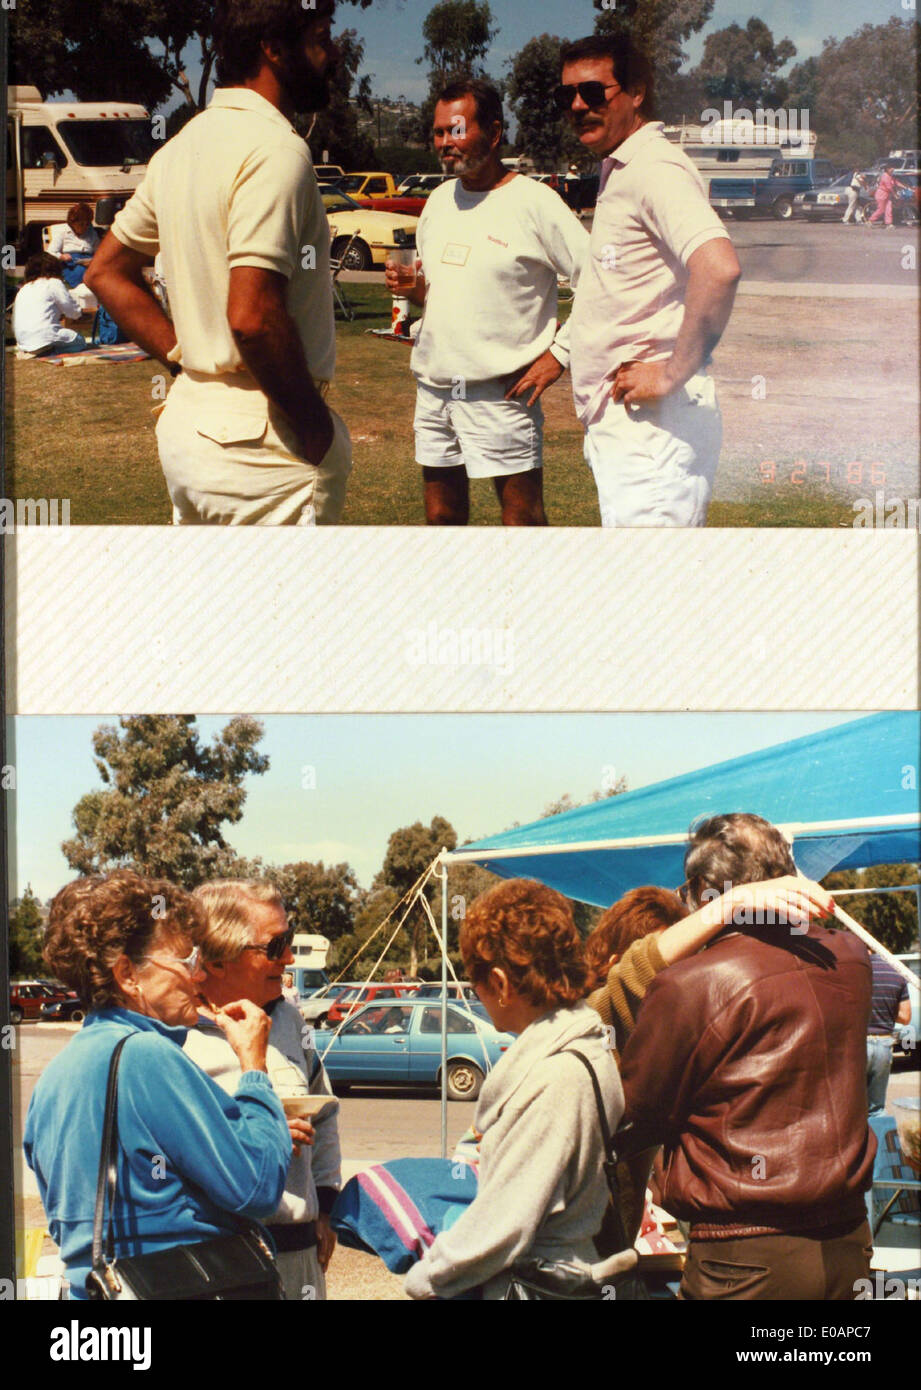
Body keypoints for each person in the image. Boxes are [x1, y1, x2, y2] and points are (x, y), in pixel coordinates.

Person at [85, 0, 352, 526]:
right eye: (321, 37)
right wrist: (315, 426)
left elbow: (105, 271)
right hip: (265, 447)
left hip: (192, 426)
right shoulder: (277, 150)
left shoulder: (183, 147)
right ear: (273, 50)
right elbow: (251, 318)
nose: (333, 53)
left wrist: (184, 363)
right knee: (286, 609)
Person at [619, 813, 876, 1300]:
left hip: (744, 1257)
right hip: (849, 1243)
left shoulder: (691, 983)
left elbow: (636, 1114)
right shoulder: (850, 958)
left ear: (699, 890)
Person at [23, 871, 291, 1300]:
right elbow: (256, 1187)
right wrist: (255, 1071)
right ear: (128, 975)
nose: (200, 975)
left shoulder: (55, 1077)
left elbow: (69, 1225)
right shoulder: (147, 1056)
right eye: (187, 960)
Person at [403, 879, 622, 1299]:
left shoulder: (555, 1077)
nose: (477, 994)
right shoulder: (586, 1048)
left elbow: (502, 1227)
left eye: (475, 982)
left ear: (500, 983)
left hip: (537, 1285)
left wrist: (425, 1280)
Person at [386, 78, 589, 527]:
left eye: (455, 130)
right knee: (441, 519)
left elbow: (600, 279)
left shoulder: (537, 202)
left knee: (521, 521)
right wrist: (415, 290)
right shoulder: (438, 202)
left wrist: (560, 354)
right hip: (435, 388)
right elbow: (443, 293)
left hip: (502, 395)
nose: (444, 143)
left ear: (494, 132)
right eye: (438, 132)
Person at [560, 35, 741, 527]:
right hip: (629, 425)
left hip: (656, 428)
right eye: (568, 95)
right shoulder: (622, 168)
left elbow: (719, 268)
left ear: (636, 92)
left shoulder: (655, 167)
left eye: (594, 92)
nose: (578, 106)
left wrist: (668, 375)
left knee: (653, 592)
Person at [185, 880, 341, 1300]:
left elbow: (324, 1113)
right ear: (217, 960)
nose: (288, 958)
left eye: (288, 941)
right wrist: (256, 1138)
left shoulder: (290, 1020)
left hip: (300, 1255)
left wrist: (325, 1207)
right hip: (221, 1261)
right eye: (274, 947)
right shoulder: (173, 1037)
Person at [12, 253, 88, 356]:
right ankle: (50, 351)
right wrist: (80, 313)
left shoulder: (24, 289)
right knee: (80, 341)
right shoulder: (53, 282)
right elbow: (73, 312)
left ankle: (38, 350)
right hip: (44, 337)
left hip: (23, 341)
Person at [866, 949, 911, 1116]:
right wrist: (884, 1009)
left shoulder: (853, 971)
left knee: (853, 1107)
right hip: (884, 1045)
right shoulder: (896, 972)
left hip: (857, 1044)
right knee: (876, 1109)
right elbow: (905, 1017)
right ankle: (879, 1141)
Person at [46, 203, 100, 310]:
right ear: (73, 222)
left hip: (89, 262)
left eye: (87, 224)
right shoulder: (64, 233)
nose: (84, 227)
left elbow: (99, 251)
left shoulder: (91, 233)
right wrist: (61, 256)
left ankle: (96, 302)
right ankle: (82, 299)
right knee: (82, 272)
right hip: (70, 264)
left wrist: (94, 260)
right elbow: (50, 252)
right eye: (81, 224)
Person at [868, 162, 907, 228]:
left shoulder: (890, 176)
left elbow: (896, 182)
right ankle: (870, 221)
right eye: (892, 168)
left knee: (888, 209)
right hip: (881, 194)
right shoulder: (885, 176)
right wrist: (895, 194)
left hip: (887, 195)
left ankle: (889, 223)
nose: (893, 169)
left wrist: (905, 187)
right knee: (881, 209)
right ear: (887, 169)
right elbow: (889, 187)